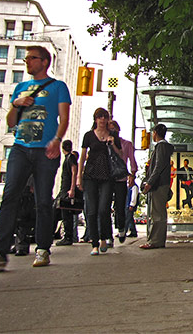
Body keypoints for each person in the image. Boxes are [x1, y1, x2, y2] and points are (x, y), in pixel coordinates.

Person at [0, 45, 71, 270]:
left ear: (45, 62)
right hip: (21, 148)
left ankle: (43, 249)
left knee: (43, 201)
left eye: (32, 58)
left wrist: (57, 139)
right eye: (26, 58)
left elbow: (64, 118)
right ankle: (0, 250)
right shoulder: (21, 88)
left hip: (45, 151)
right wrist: (16, 104)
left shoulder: (58, 87)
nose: (27, 62)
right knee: (10, 195)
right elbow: (11, 123)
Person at [77, 107, 123, 256]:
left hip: (107, 176)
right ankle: (94, 243)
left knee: (104, 209)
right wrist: (79, 176)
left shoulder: (113, 135)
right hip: (90, 175)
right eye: (99, 117)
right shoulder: (89, 136)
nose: (102, 120)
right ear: (95, 119)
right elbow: (83, 156)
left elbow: (121, 154)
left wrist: (113, 144)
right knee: (91, 210)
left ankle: (104, 237)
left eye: (105, 117)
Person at [140, 123, 173, 249]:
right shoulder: (165, 148)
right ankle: (157, 240)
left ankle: (155, 241)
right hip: (162, 183)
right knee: (159, 212)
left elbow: (158, 166)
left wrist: (149, 182)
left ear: (155, 133)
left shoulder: (161, 147)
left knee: (157, 213)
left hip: (158, 184)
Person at [106, 119, 137, 246]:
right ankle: (107, 235)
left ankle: (121, 228)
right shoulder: (104, 143)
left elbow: (132, 161)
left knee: (120, 206)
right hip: (107, 179)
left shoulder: (126, 144)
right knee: (105, 207)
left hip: (120, 178)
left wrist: (132, 175)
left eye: (114, 129)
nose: (112, 131)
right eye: (110, 129)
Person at [54, 140, 79, 246]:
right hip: (65, 189)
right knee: (62, 212)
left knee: (65, 213)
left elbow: (74, 172)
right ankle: (66, 235)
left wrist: (72, 189)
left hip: (67, 189)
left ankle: (68, 236)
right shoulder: (68, 158)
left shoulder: (71, 157)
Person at [11, 176, 36, 256]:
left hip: (27, 192)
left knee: (23, 219)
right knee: (18, 219)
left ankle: (22, 246)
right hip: (22, 191)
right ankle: (18, 245)